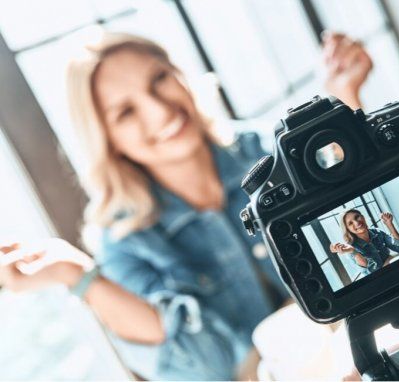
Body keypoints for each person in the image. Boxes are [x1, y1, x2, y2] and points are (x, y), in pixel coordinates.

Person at [0, 31, 373, 380]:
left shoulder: (266, 149)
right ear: (106, 138)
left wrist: (345, 99)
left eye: (158, 79)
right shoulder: (124, 241)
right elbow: (201, 368)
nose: (159, 111)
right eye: (125, 112)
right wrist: (77, 275)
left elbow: (360, 219)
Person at [330, 210, 399, 274]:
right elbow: (373, 271)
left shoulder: (377, 232)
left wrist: (389, 224)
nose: (356, 222)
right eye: (350, 223)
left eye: (357, 217)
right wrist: (353, 251)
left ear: (363, 217)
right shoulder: (351, 248)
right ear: (348, 229)